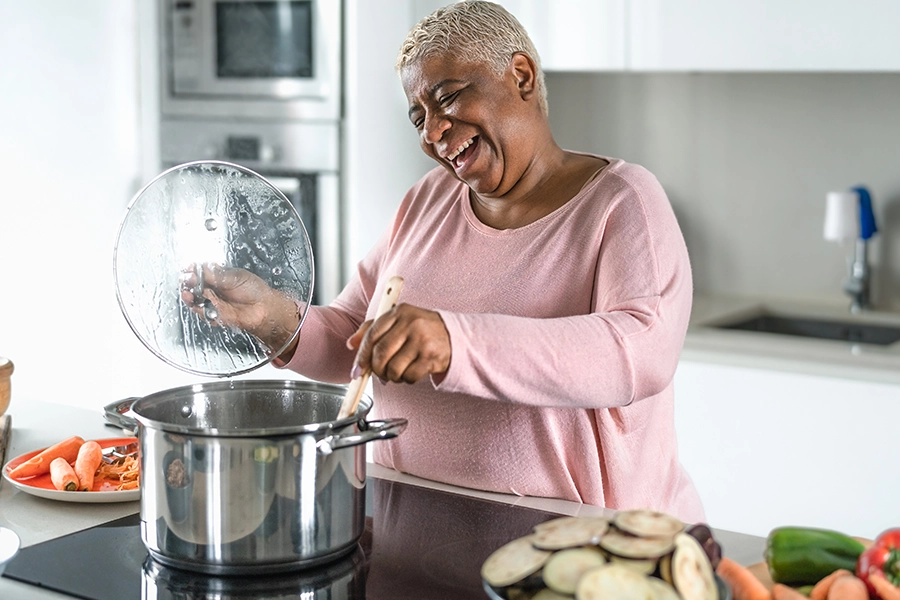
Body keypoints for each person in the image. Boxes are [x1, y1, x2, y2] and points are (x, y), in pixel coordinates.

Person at [185, 0, 705, 523]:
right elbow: (354, 339)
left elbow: (639, 352)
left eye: (449, 98)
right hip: (410, 524)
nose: (433, 134)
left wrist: (455, 343)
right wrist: (274, 318)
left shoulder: (620, 200)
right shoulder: (427, 200)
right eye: (420, 118)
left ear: (520, 75)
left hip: (578, 545)